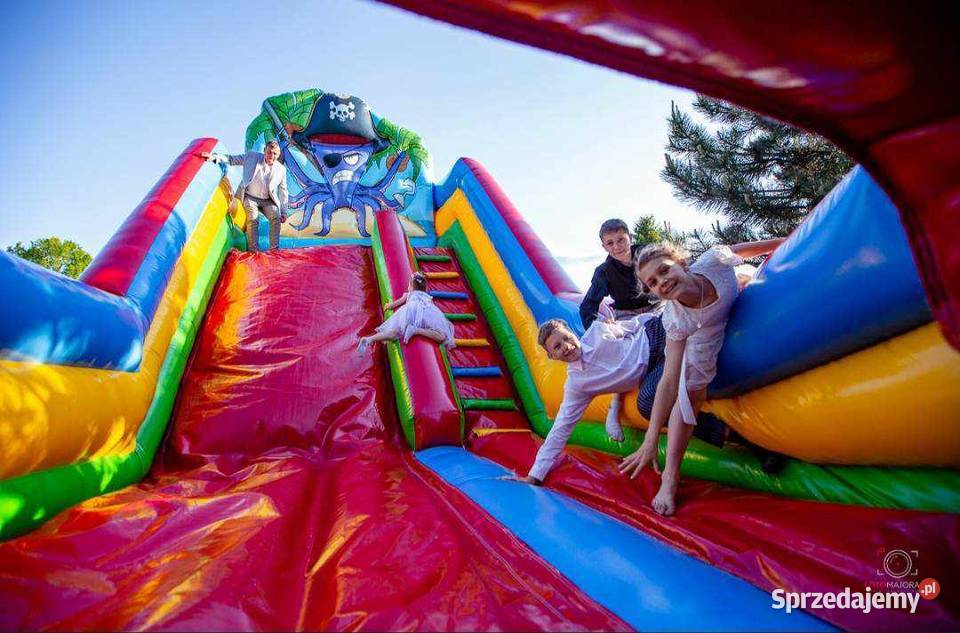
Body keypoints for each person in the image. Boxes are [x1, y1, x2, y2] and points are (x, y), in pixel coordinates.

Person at [619, 238, 784, 516]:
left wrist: (792, 239)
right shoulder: (676, 319)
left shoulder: (712, 262)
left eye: (664, 270)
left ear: (682, 263)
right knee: (687, 396)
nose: (661, 282)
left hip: (722, 306)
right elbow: (670, 380)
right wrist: (650, 438)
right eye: (652, 283)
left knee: (686, 393)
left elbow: (750, 248)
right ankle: (670, 477)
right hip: (693, 334)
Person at [517, 314, 668, 485]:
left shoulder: (598, 332)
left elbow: (634, 325)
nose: (567, 346)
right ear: (551, 356)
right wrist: (535, 475)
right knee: (647, 402)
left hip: (655, 336)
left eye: (567, 338)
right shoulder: (578, 385)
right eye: (557, 347)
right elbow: (560, 428)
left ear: (573, 333)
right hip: (654, 369)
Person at [202, 140, 289, 252]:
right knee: (253, 218)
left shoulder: (281, 170)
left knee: (275, 217)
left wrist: (284, 211)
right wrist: (214, 157)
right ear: (264, 151)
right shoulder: (252, 157)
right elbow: (232, 159)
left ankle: (274, 250)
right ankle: (254, 251)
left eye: (275, 154)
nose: (271, 156)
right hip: (250, 197)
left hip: (268, 200)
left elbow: (283, 191)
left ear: (278, 155)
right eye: (269, 152)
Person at [579, 219, 661, 330]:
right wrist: (598, 325)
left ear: (630, 238)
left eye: (621, 240)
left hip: (656, 305)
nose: (616, 247)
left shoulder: (649, 254)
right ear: (604, 247)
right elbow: (588, 305)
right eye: (610, 243)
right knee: (630, 340)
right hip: (627, 315)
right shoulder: (604, 272)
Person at [357, 272, 456, 353]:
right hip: (425, 315)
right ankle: (416, 330)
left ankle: (369, 339)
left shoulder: (409, 294)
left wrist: (388, 305)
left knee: (394, 332)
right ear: (425, 288)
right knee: (442, 336)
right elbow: (429, 309)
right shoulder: (427, 297)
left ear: (411, 287)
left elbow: (395, 304)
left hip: (409, 312)